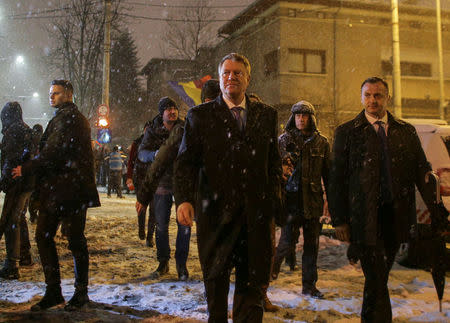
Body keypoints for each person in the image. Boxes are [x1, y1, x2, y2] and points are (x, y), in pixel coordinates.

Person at [328, 76, 448, 322]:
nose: (373, 100)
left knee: (378, 279)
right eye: (368, 95)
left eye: (378, 95)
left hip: (395, 217)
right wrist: (339, 220)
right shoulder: (347, 132)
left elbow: (421, 173)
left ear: (387, 98)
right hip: (364, 218)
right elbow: (336, 179)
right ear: (361, 98)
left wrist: (438, 213)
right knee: (375, 276)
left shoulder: (405, 132)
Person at [175, 53, 282, 322]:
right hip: (216, 217)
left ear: (248, 78)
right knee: (216, 285)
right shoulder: (200, 116)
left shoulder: (266, 115)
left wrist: (274, 201)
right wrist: (185, 200)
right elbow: (185, 163)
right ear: (220, 79)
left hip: (255, 218)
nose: (231, 78)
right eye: (226, 73)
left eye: (237, 73)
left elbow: (273, 163)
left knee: (252, 288)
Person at [12, 79, 100, 311]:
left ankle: (72, 293)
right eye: (50, 93)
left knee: (67, 239)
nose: (51, 97)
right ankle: (59, 291)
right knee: (59, 238)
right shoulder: (66, 117)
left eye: (57, 93)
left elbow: (54, 151)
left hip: (68, 190)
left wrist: (28, 167)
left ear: (69, 95)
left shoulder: (69, 119)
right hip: (65, 190)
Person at [271, 100, 330, 300]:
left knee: (311, 247)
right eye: (297, 115)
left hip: (313, 202)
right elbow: (276, 171)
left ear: (311, 118)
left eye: (304, 116)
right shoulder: (284, 140)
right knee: (286, 242)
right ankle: (272, 270)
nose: (301, 119)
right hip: (291, 201)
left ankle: (309, 286)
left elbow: (328, 174)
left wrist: (330, 201)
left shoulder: (321, 143)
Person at [136, 98, 189, 281]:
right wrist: (155, 155)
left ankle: (181, 265)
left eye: (174, 108)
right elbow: (141, 153)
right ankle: (163, 262)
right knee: (161, 224)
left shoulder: (184, 127)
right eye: (168, 109)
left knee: (184, 224)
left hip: (182, 181)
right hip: (162, 182)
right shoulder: (152, 130)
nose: (172, 112)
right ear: (161, 113)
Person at [0, 102, 35, 279]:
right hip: (27, 182)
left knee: (10, 220)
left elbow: (10, 159)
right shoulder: (25, 129)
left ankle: (12, 264)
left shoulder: (13, 131)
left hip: (17, 182)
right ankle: (24, 255)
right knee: (18, 218)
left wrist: (4, 181)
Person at [126, 121, 156, 246]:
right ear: (144, 130)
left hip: (154, 178)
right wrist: (129, 177)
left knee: (154, 210)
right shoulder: (137, 142)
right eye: (147, 129)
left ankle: (150, 236)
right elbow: (131, 161)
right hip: (140, 179)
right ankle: (141, 230)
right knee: (142, 206)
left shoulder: (157, 142)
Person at [28, 123, 44, 223]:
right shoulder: (43, 141)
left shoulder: (31, 141)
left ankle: (33, 215)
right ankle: (37, 215)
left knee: (33, 196)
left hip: (32, 173)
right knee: (39, 195)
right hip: (40, 173)